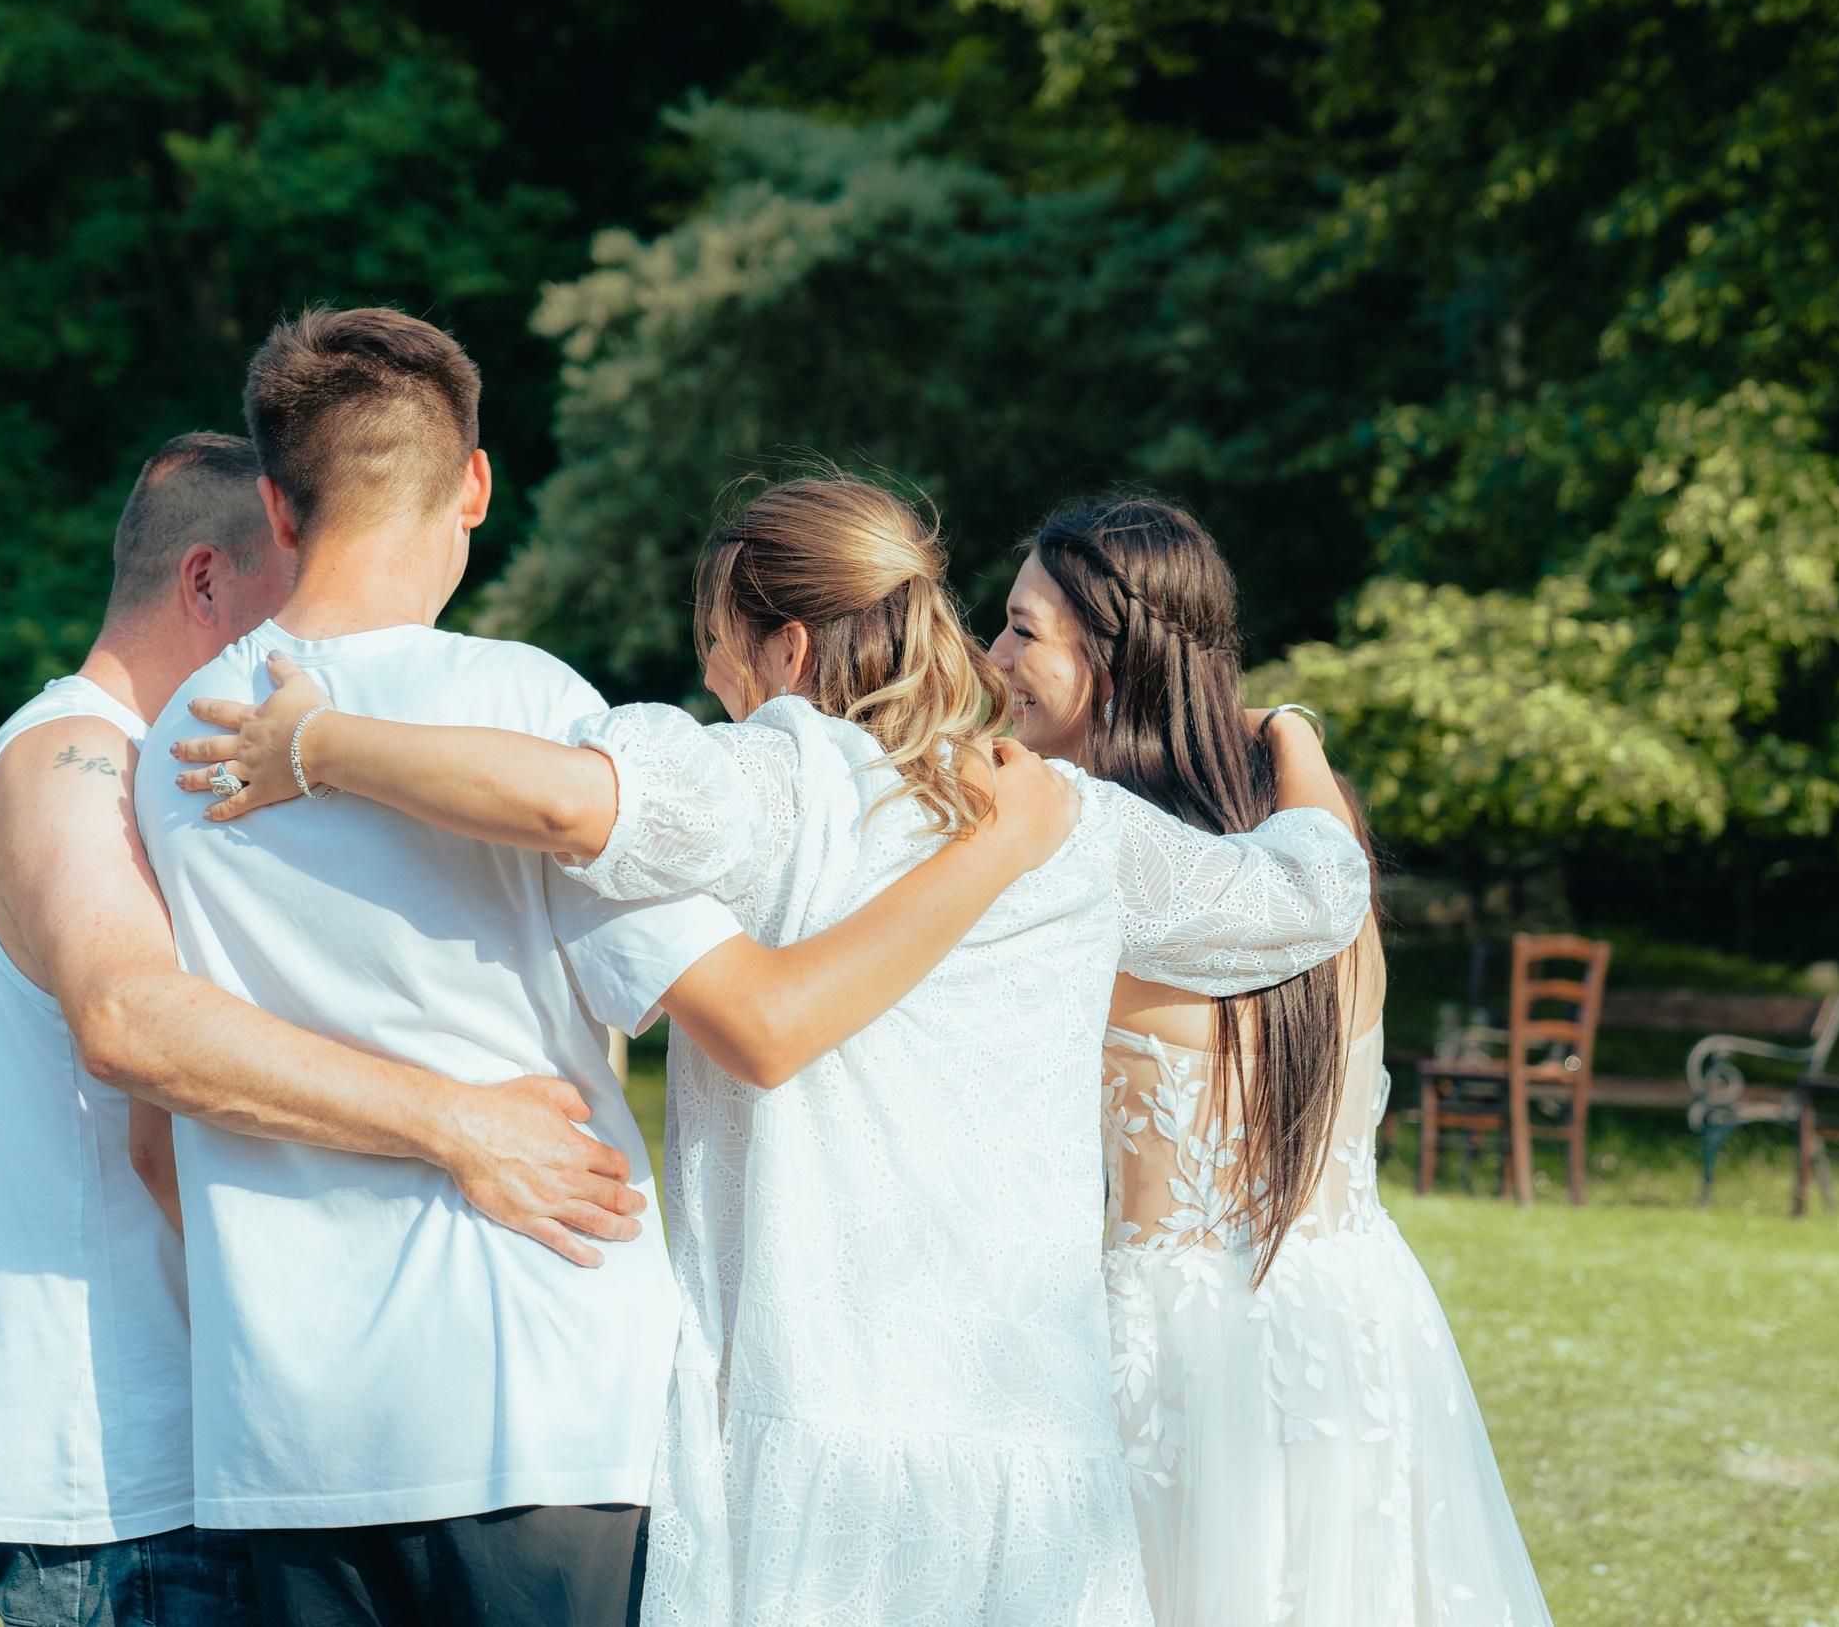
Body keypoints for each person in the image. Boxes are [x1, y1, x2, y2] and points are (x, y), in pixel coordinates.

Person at [174, 474, 1375, 1626]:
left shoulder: (778, 781)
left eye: (717, 643)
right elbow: (1312, 894)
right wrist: (1294, 744)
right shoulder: (1069, 823)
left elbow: (561, 803)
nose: (709, 675)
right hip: (1031, 1439)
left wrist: (322, 745)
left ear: (789, 650)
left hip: (812, 1419)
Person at [133, 315, 1080, 1627]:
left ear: (277, 511)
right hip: (541, 1393)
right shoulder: (530, 703)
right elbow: (745, 1005)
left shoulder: (175, 739)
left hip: (288, 1431)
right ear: (475, 484)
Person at [0, 433, 675, 1627]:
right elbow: (131, 1019)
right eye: (287, 595)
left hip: (198, 1448)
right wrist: (460, 1124)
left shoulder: (147, 768)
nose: (307, 646)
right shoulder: (72, 760)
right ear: (205, 579)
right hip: (116, 1466)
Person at [991, 496, 1554, 1627]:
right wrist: (1293, 727)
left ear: (1115, 659)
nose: (989, 653)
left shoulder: (1072, 862)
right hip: (1348, 1317)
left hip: (1155, 1352)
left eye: (1019, 631)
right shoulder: (1313, 825)